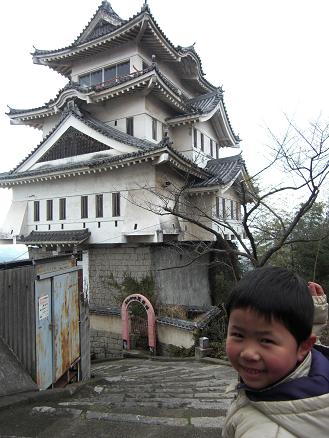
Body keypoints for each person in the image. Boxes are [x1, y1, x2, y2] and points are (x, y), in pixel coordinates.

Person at [222, 266, 329, 438]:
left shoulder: (268, 432)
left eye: (266, 341)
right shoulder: (317, 368)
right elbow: (293, 338)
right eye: (238, 335)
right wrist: (314, 315)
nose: (248, 353)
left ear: (303, 346)